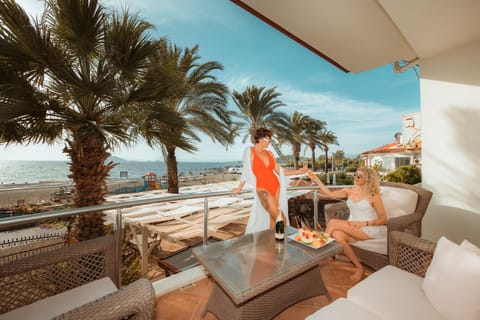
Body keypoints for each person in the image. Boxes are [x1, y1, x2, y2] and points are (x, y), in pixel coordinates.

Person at [308, 167, 387, 282]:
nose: (355, 177)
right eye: (355, 175)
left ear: (367, 179)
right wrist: (316, 179)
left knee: (333, 222)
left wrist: (364, 223)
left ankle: (318, 252)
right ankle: (359, 267)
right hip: (352, 227)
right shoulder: (348, 191)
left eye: (359, 176)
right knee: (337, 235)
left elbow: (384, 218)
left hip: (368, 228)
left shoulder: (374, 196)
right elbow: (329, 194)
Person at [232, 128, 308, 234]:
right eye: (268, 138)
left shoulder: (269, 153)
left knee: (273, 220)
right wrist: (239, 187)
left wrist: (299, 171)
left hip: (276, 187)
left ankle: (272, 248)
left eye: (270, 139)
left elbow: (280, 171)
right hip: (262, 188)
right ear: (260, 138)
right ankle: (279, 244)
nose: (270, 141)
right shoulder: (249, 151)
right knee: (281, 219)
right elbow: (246, 170)